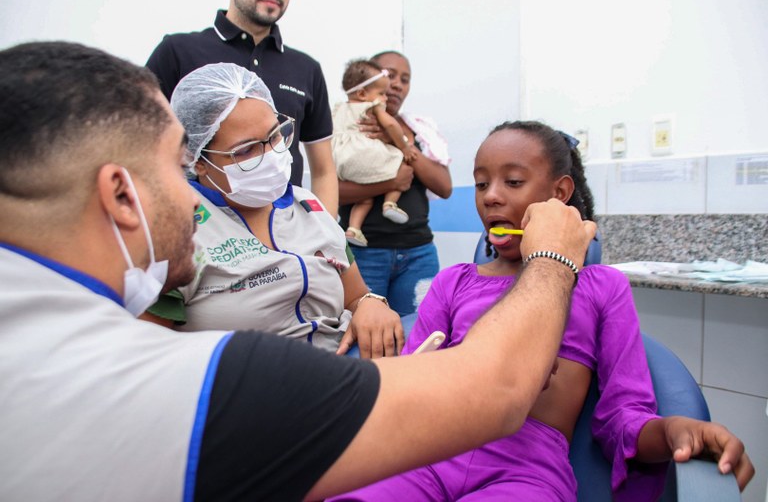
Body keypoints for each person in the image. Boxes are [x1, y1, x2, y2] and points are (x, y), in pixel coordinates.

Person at [0, 41, 606, 501]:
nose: (191, 200)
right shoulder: (191, 382)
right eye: (173, 169)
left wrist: (369, 306)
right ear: (120, 194)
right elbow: (494, 394)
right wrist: (554, 258)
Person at [329, 121, 755, 501]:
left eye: (512, 182)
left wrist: (674, 431)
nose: (491, 196)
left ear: (559, 195)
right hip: (427, 454)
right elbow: (409, 390)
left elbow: (625, 417)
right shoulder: (452, 282)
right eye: (481, 184)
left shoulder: (601, 287)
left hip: (525, 472)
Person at [143, 62, 402, 358]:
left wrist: (370, 304)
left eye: (276, 135)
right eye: (245, 150)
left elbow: (355, 295)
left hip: (343, 375)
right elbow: (151, 358)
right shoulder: (176, 228)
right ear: (197, 159)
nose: (271, 156)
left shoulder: (310, 209)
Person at [146, 0, 339, 215]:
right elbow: (139, 146)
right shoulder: (178, 51)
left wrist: (325, 233)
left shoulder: (306, 68)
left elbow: (323, 170)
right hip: (202, 227)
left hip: (287, 230)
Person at [338, 51, 452, 316]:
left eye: (406, 79)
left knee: (420, 333)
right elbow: (330, 192)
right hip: (364, 255)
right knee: (365, 335)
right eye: (390, 75)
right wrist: (391, 182)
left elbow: (444, 187)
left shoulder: (418, 128)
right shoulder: (349, 124)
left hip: (418, 253)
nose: (398, 84)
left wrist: (398, 141)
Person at [332, 58, 418, 247]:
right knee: (399, 164)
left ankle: (354, 229)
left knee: (364, 197)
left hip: (340, 159)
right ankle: (389, 204)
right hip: (363, 152)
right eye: (382, 93)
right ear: (362, 93)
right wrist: (404, 147)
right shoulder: (372, 106)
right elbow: (390, 124)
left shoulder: (339, 108)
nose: (385, 98)